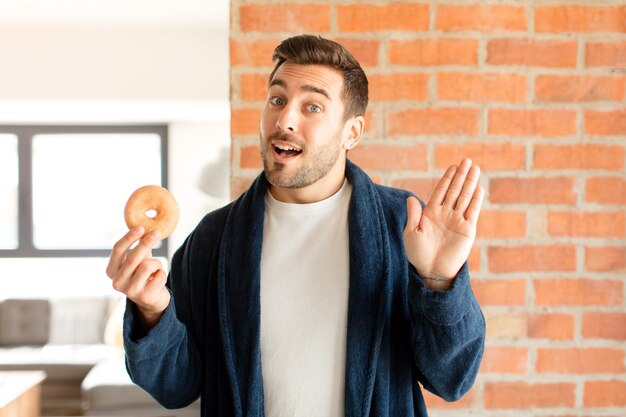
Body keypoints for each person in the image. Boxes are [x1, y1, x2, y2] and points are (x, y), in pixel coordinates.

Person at [106, 34, 486, 417]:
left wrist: (439, 282)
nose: (285, 119)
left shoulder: (404, 225)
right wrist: (152, 311)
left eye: (313, 107)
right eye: (277, 99)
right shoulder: (213, 238)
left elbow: (451, 380)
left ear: (351, 132)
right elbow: (176, 388)